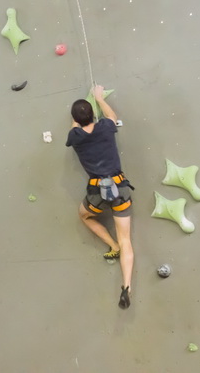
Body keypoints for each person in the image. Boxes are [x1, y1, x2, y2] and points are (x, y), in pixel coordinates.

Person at [66, 85, 135, 309]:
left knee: (85, 216)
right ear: (94, 115)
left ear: (75, 119)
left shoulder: (74, 136)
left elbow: (75, 126)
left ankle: (111, 245)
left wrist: (77, 117)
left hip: (97, 192)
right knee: (128, 240)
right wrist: (99, 98)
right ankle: (126, 286)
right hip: (119, 187)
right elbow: (112, 116)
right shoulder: (106, 127)